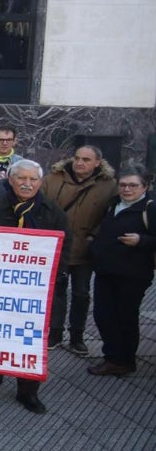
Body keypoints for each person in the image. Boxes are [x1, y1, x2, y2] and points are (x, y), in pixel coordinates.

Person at [0, 160, 69, 414]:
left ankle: (28, 391)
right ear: (10, 181)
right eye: (21, 178)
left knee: (29, 341)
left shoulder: (51, 211)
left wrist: (54, 278)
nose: (27, 183)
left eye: (33, 179)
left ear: (40, 182)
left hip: (33, 293)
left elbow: (64, 248)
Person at [40, 145, 116, 354]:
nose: (80, 163)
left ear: (97, 163)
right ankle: (54, 333)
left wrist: (95, 236)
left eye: (86, 159)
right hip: (57, 247)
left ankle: (77, 336)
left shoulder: (108, 185)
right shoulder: (53, 179)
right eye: (77, 158)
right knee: (56, 293)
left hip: (85, 248)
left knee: (81, 293)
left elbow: (110, 216)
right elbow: (41, 207)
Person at [87, 166, 156, 377]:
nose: (127, 189)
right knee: (103, 315)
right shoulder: (114, 204)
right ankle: (113, 356)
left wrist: (141, 240)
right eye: (123, 185)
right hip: (106, 270)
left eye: (133, 185)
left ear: (144, 187)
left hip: (132, 274)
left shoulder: (150, 209)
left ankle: (123, 360)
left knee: (125, 317)